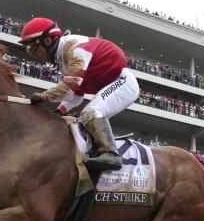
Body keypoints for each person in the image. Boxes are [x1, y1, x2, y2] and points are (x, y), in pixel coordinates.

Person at [19, 17, 139, 171]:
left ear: (47, 41)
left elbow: (73, 83)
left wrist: (44, 96)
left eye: (32, 47)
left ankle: (111, 154)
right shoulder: (63, 57)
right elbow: (77, 93)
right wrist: (59, 111)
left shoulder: (74, 47)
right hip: (114, 83)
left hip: (123, 82)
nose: (31, 53)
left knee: (90, 112)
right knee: (82, 120)